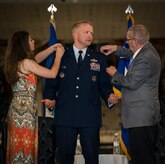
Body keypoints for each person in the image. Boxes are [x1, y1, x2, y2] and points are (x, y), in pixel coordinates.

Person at [42, 20, 119, 164]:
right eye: (86, 32)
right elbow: (51, 83)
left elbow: (104, 85)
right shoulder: (61, 56)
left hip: (90, 117)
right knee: (65, 158)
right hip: (65, 116)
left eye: (92, 33)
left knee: (91, 157)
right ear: (75, 34)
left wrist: (110, 96)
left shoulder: (99, 59)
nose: (90, 35)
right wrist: (49, 99)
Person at [100, 24, 161, 164]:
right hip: (141, 117)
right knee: (140, 156)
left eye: (127, 40)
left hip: (141, 117)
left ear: (135, 41)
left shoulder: (145, 58)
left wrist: (114, 73)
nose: (126, 43)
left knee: (142, 158)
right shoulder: (147, 50)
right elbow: (132, 54)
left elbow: (131, 82)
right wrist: (116, 49)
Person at [4, 31, 64, 164]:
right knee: (25, 148)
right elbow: (52, 74)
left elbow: (36, 59)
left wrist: (51, 49)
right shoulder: (27, 63)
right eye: (31, 40)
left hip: (18, 110)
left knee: (18, 147)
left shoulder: (18, 62)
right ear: (24, 44)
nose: (34, 42)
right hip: (25, 114)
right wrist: (58, 56)